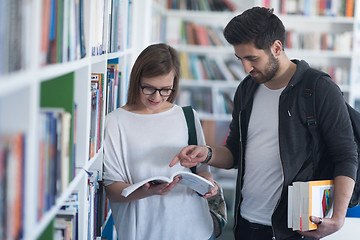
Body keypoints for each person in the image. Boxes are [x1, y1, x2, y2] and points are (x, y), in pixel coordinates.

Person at [170, 7, 358, 240]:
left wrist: (338, 218)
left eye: (252, 58)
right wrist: (206, 153)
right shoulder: (247, 89)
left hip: (295, 228)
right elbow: (234, 153)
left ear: (276, 48)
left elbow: (346, 156)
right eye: (240, 59)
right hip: (246, 223)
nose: (246, 68)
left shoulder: (318, 88)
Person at [102, 43, 217, 240]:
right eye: (149, 88)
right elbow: (112, 190)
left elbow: (200, 169)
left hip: (194, 228)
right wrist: (149, 192)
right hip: (143, 231)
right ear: (137, 80)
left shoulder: (187, 116)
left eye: (165, 90)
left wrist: (208, 181)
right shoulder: (115, 122)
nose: (157, 97)